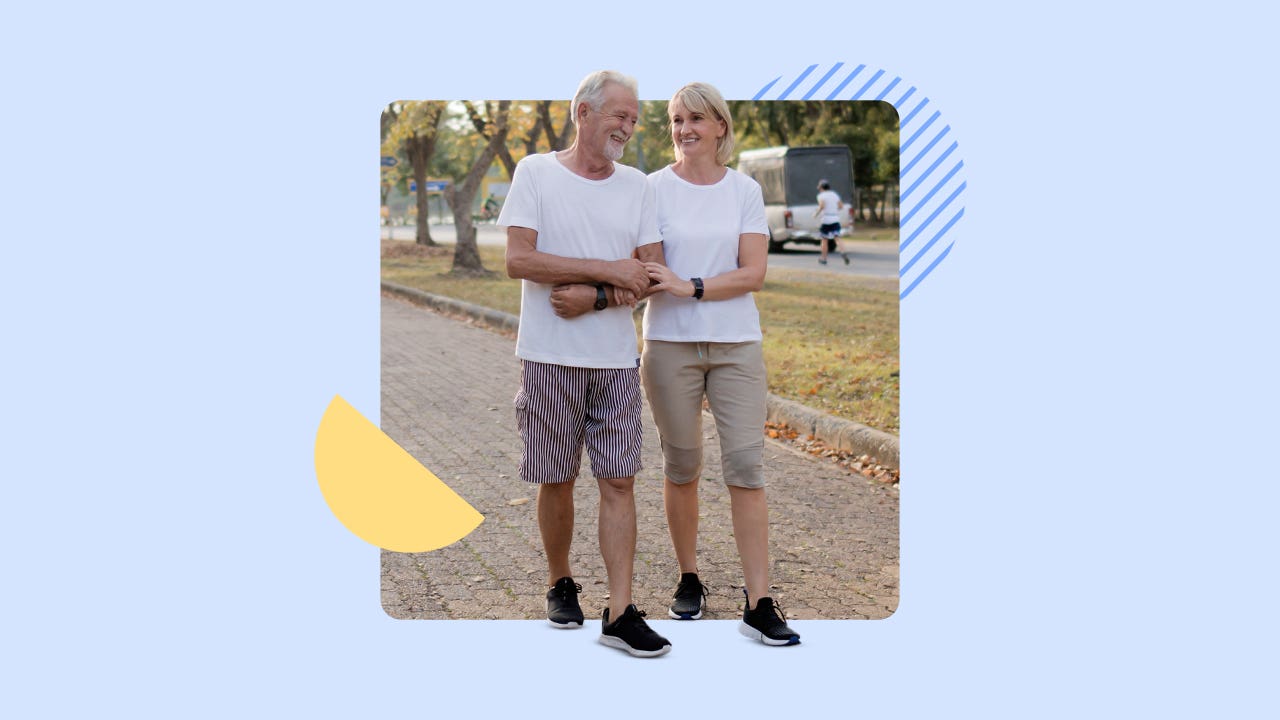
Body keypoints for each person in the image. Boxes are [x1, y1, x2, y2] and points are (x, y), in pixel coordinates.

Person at [499, 70, 671, 658]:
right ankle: (559, 580)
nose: (627, 127)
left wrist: (594, 299)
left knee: (619, 478)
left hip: (617, 360)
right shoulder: (535, 173)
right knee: (558, 477)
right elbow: (519, 260)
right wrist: (606, 271)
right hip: (548, 356)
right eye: (618, 115)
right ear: (583, 112)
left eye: (633, 119)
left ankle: (620, 612)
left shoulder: (638, 186)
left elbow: (649, 272)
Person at [640, 82, 801, 645]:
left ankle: (759, 601)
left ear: (721, 128)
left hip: (736, 346)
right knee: (682, 466)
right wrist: (674, 286)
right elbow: (651, 270)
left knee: (746, 468)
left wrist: (694, 286)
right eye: (677, 119)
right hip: (669, 347)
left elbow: (753, 272)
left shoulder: (744, 190)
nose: (685, 129)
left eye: (697, 119)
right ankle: (689, 577)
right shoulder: (651, 189)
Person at [815, 179, 848, 265]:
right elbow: (841, 206)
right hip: (835, 218)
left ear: (821, 188)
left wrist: (816, 213)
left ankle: (824, 258)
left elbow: (822, 206)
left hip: (826, 219)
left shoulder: (820, 196)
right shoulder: (834, 194)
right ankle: (843, 252)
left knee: (824, 240)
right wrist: (833, 209)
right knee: (837, 237)